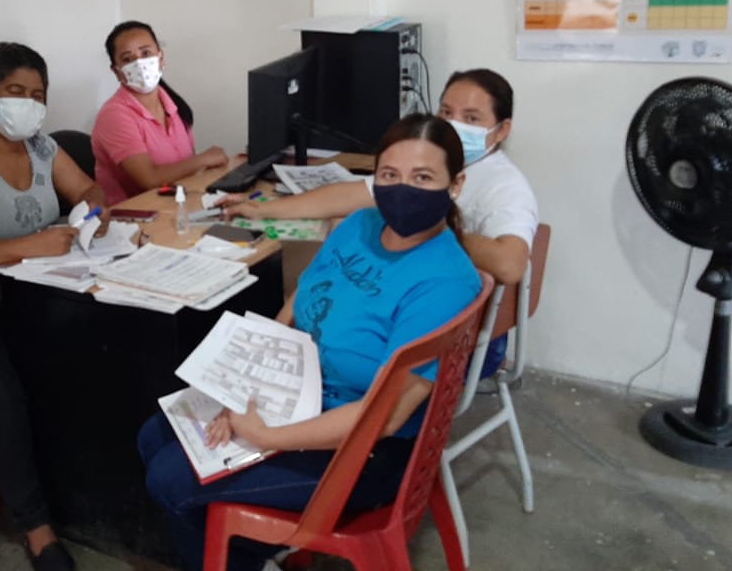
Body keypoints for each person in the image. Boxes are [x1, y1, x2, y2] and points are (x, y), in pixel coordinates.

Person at [139, 115, 483, 571]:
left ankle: (236, 556)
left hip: (364, 448)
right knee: (154, 436)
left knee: (171, 479)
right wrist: (242, 388)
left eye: (422, 178)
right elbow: (300, 300)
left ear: (455, 185)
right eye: (389, 175)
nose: (403, 190)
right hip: (300, 396)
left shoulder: (444, 282)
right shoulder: (359, 226)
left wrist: (266, 435)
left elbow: (384, 416)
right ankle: (241, 555)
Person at [220, 69, 538, 375]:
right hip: (395, 302)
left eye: (471, 118)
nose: (454, 124)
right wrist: (265, 209)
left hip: (453, 332)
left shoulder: (505, 187)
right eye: (446, 112)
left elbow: (510, 264)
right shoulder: (419, 160)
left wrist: (430, 226)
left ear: (501, 130)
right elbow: (345, 196)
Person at [0, 42, 109, 571]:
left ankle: (91, 485)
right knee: (0, 383)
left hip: (38, 291)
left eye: (38, 94)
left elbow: (90, 188)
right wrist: (26, 247)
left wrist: (91, 213)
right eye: (16, 92)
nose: (30, 104)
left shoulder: (43, 148)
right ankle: (36, 527)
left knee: (102, 342)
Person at [91, 21, 229, 204]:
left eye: (146, 53)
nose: (139, 64)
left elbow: (186, 167)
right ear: (117, 72)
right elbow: (150, 179)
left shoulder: (172, 104)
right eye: (127, 59)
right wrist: (204, 159)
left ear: (161, 58)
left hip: (178, 204)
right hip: (133, 215)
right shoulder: (114, 115)